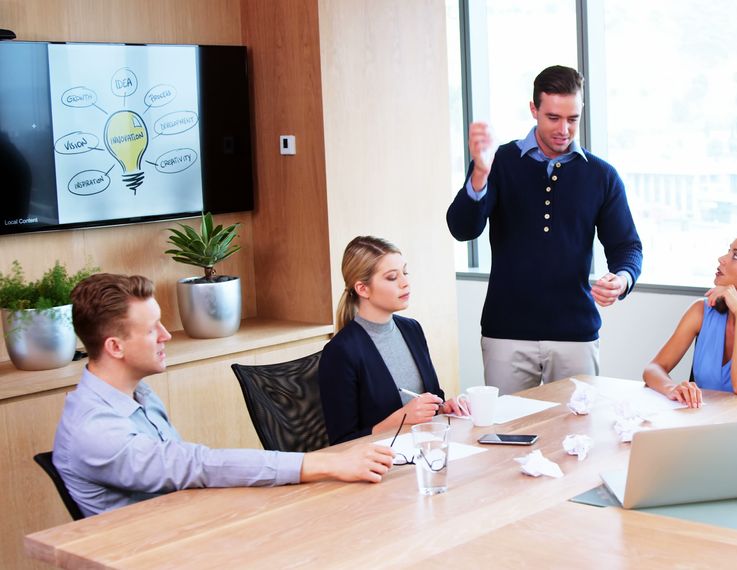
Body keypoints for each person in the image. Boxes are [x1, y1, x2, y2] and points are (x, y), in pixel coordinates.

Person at [52, 274, 394, 517]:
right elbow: (195, 466)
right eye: (152, 328)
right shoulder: (94, 429)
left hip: (192, 530)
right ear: (115, 347)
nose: (166, 336)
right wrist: (323, 462)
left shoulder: (138, 391)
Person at [446, 65, 643, 395]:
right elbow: (462, 228)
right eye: (553, 117)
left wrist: (622, 279)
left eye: (573, 119)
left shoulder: (601, 176)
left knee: (578, 437)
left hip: (575, 333)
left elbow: (627, 247)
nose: (564, 129)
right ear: (533, 109)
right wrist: (480, 173)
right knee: (505, 435)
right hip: (505, 331)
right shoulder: (498, 162)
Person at [319, 236, 466, 445]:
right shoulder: (340, 352)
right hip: (380, 462)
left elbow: (433, 396)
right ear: (363, 289)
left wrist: (444, 407)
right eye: (391, 277)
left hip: (425, 447)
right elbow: (342, 441)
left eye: (404, 273)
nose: (405, 283)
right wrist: (400, 419)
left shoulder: (411, 329)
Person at [644, 232, 737, 406]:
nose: (722, 259)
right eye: (728, 251)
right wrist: (671, 388)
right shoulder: (701, 311)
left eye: (735, 256)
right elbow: (653, 368)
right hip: (706, 426)